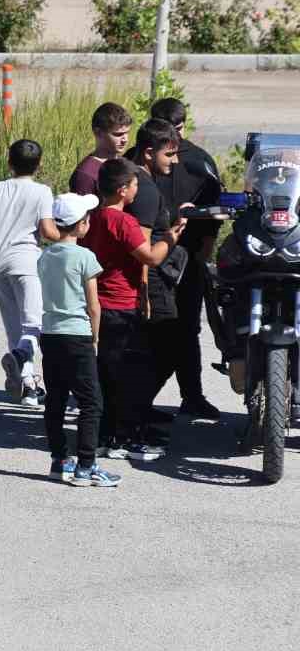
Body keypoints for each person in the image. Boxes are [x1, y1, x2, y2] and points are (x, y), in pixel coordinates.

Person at [80, 159, 182, 460]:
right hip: (120, 305)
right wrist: (171, 238)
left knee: (106, 373)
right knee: (126, 375)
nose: (139, 189)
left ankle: (106, 434)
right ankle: (120, 437)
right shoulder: (124, 222)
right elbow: (149, 257)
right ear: (123, 190)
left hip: (99, 301)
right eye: (135, 184)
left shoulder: (93, 218)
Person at [147, 98, 223, 421]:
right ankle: (136, 400)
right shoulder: (140, 160)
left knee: (187, 329)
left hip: (189, 258)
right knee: (150, 330)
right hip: (150, 255)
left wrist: (205, 250)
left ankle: (191, 396)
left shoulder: (201, 161)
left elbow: (215, 208)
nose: (175, 142)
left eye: (178, 130)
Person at [37, 193, 120, 488]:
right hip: (78, 334)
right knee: (90, 402)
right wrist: (95, 337)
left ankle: (59, 460)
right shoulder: (86, 257)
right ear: (81, 224)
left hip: (50, 333)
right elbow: (94, 305)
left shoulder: (45, 255)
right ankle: (86, 465)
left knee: (56, 399)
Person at [0, 139, 58, 407]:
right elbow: (46, 230)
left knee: (13, 324)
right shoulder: (42, 191)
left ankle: (28, 384)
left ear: (9, 162)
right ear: (39, 165)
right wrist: (68, 234)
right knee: (34, 323)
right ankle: (23, 364)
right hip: (25, 263)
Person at [123, 119, 188, 435]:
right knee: (165, 350)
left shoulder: (133, 177)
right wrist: (144, 294)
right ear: (149, 153)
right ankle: (132, 417)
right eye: (169, 154)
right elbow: (143, 251)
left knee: (148, 352)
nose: (174, 162)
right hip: (151, 282)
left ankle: (137, 410)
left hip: (146, 281)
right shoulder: (145, 190)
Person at [70, 101, 133, 196]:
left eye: (127, 133)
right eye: (118, 134)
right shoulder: (86, 175)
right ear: (98, 132)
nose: (125, 139)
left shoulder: (125, 163)